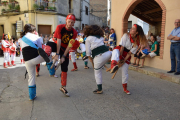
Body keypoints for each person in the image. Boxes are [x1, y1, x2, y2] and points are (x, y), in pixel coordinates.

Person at [45, 13, 78, 97]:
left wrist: (63, 56)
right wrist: (57, 54)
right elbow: (58, 41)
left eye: (72, 22)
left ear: (74, 23)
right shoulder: (60, 27)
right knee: (49, 43)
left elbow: (70, 45)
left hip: (65, 49)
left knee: (65, 68)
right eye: (69, 21)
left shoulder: (74, 32)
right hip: (57, 46)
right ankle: (45, 56)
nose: (70, 24)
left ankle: (63, 87)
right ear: (66, 21)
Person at [110, 24, 146, 95]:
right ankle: (113, 65)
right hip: (120, 50)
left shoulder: (137, 43)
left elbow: (129, 53)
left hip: (127, 55)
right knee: (115, 52)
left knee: (125, 73)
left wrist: (123, 61)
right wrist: (120, 58)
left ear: (137, 32)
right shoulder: (125, 35)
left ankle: (125, 88)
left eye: (133, 29)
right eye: (131, 28)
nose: (131, 29)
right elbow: (122, 47)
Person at [20, 24, 50, 100]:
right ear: (33, 30)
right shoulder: (37, 37)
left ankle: (32, 96)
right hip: (36, 58)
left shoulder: (21, 39)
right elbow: (40, 48)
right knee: (50, 54)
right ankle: (52, 69)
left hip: (27, 60)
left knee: (31, 77)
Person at [84, 25, 112, 94]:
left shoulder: (88, 39)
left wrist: (90, 58)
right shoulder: (101, 37)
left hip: (99, 56)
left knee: (97, 72)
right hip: (108, 53)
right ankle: (114, 62)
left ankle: (99, 89)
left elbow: (88, 52)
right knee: (113, 53)